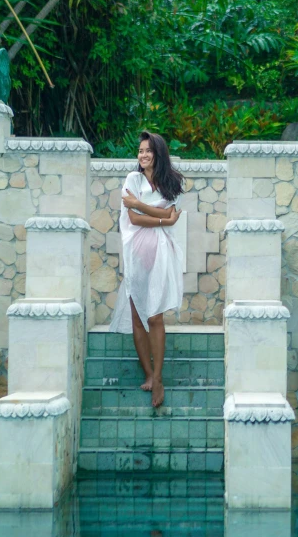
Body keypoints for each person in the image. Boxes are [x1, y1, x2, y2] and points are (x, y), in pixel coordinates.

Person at [108, 131, 185, 408]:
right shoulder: (133, 179)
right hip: (136, 257)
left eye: (148, 151)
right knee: (138, 317)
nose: (143, 155)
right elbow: (133, 219)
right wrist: (162, 217)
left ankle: (159, 378)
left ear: (158, 153)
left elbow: (169, 215)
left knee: (155, 317)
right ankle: (149, 374)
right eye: (140, 151)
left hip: (161, 256)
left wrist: (141, 206)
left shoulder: (171, 182)